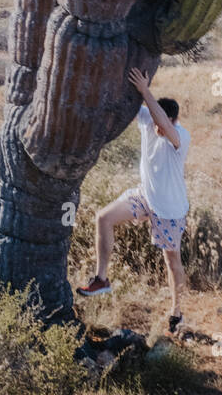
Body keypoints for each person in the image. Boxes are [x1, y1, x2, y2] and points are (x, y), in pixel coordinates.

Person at [76, 67, 191, 333]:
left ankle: (177, 312)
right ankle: (102, 279)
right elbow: (123, 104)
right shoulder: (147, 120)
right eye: (154, 121)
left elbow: (160, 119)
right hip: (145, 196)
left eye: (162, 122)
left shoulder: (180, 137)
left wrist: (145, 90)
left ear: (173, 120)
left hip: (170, 209)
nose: (157, 127)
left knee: (172, 262)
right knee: (103, 217)